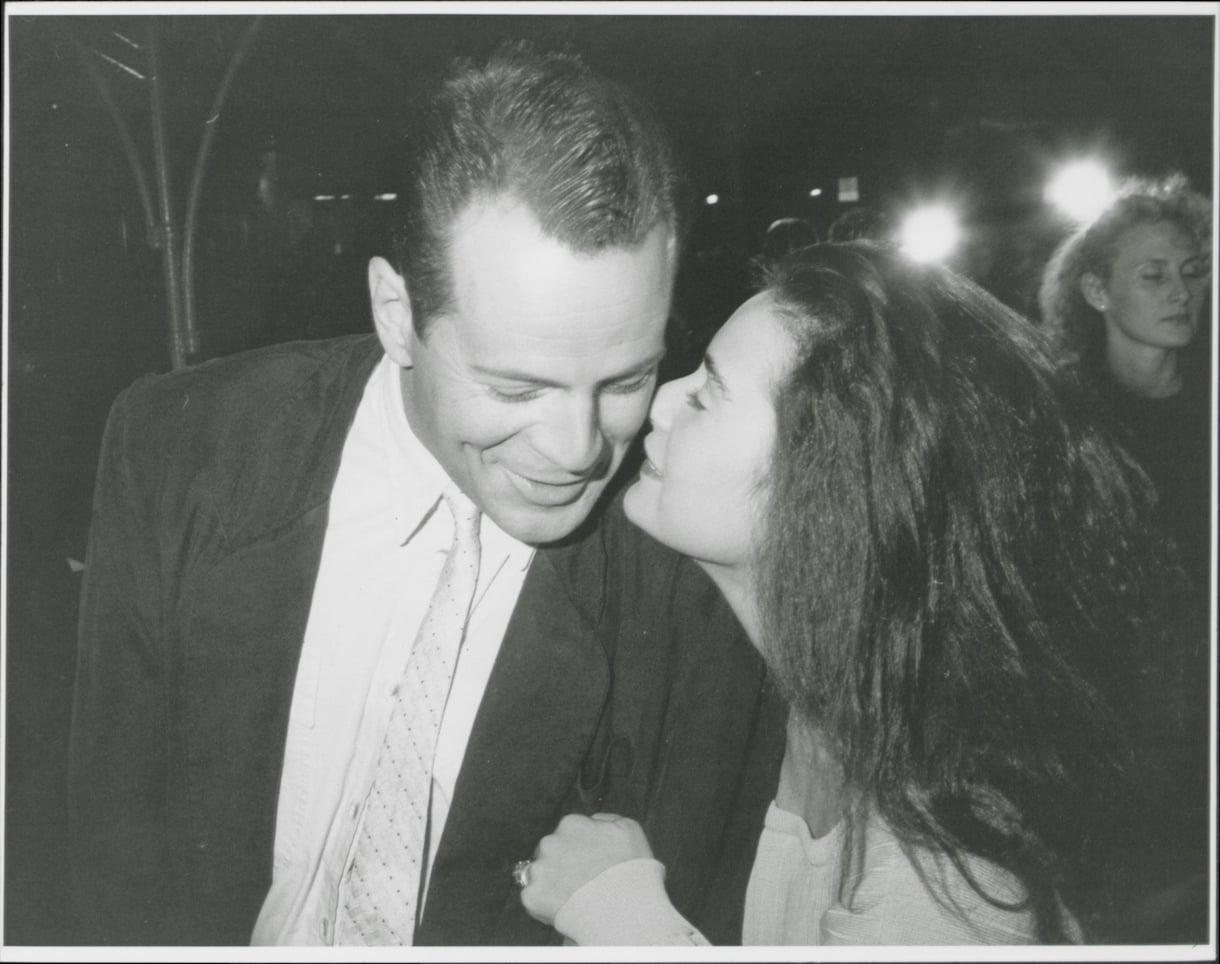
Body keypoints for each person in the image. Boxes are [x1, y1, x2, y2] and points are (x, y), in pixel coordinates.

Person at [67, 43, 784, 947]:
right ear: (397, 315)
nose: (578, 449)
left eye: (626, 380)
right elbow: (110, 869)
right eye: (517, 387)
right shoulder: (182, 451)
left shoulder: (693, 581)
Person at [518, 241, 1195, 945]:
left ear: (823, 482)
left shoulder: (954, 861)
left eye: (708, 392)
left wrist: (622, 914)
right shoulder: (806, 706)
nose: (660, 402)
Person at [1038, 175, 1212, 598]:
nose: (1182, 294)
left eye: (1192, 272)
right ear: (1097, 291)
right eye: (1154, 276)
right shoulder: (1063, 414)